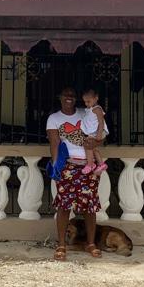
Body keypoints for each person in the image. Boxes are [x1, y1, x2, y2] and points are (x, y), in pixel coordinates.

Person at [47, 87, 105, 261]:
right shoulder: (54, 118)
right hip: (68, 166)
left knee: (90, 206)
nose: (69, 98)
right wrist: (57, 166)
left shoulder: (86, 113)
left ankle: (90, 243)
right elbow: (55, 143)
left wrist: (96, 140)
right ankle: (62, 244)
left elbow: (100, 133)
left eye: (72, 95)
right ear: (59, 97)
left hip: (88, 165)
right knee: (64, 206)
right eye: (66, 95)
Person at [79, 88, 109, 176]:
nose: (86, 104)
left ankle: (90, 164)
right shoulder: (91, 109)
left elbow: (101, 122)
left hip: (98, 132)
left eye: (88, 101)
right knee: (93, 148)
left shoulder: (97, 109)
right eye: (85, 101)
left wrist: (99, 134)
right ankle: (101, 164)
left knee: (87, 146)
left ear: (96, 98)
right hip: (94, 133)